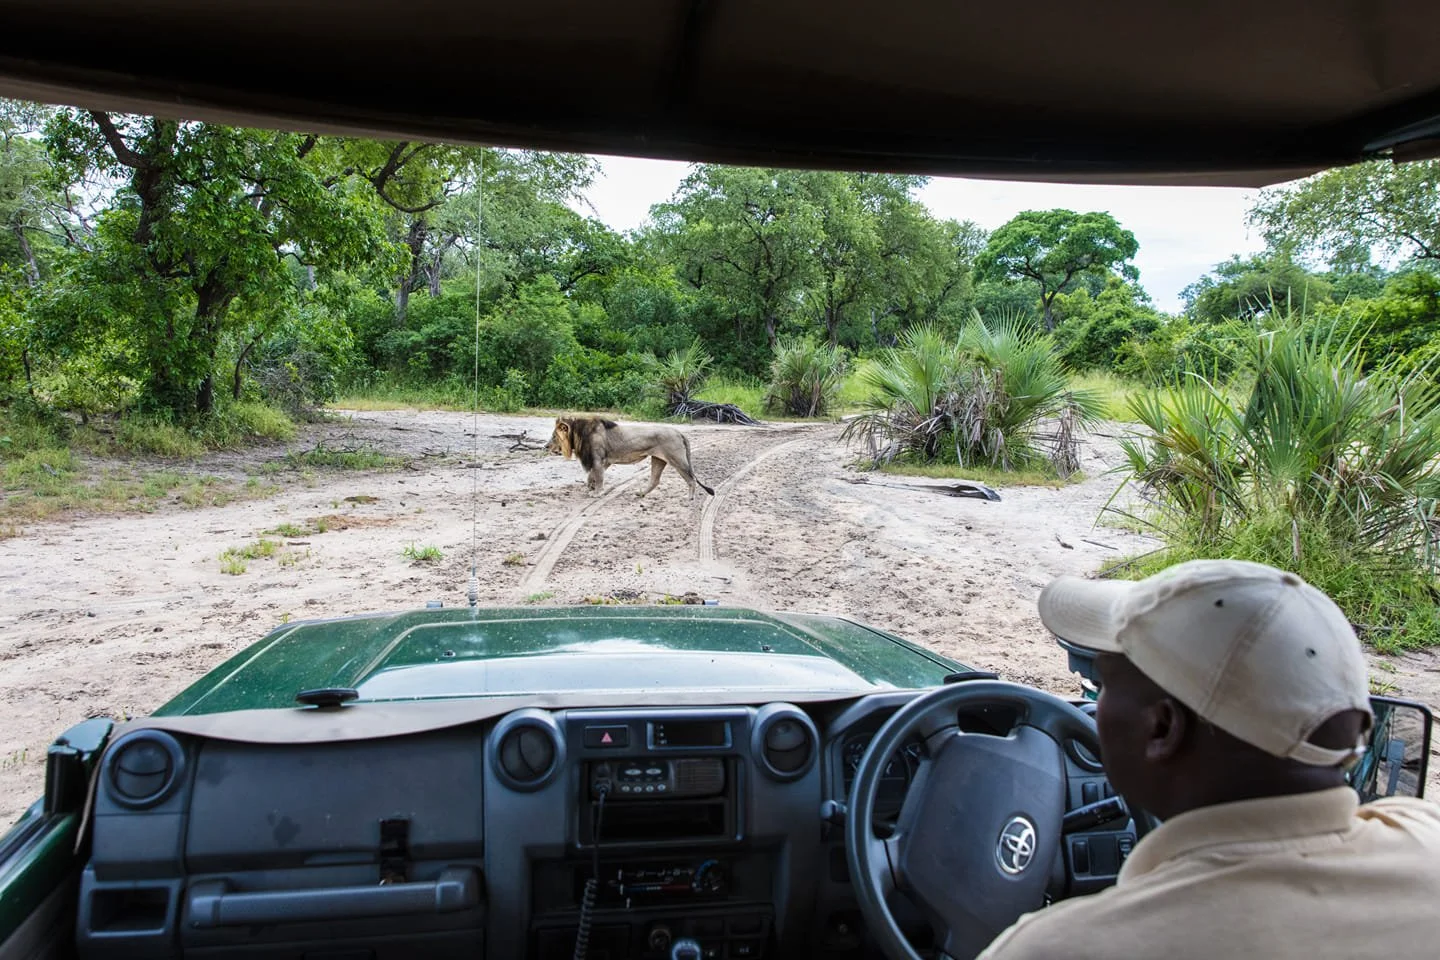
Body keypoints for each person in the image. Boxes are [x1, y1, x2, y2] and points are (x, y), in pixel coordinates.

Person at [977, 558, 1440, 959]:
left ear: (1161, 728)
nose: (1094, 706)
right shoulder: (1423, 831)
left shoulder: (1065, 948)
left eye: (1106, 682)